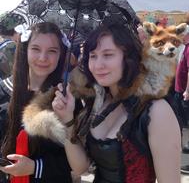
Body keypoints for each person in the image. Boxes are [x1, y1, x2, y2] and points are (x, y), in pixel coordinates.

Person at [52, 21, 181, 183]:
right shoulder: (99, 102)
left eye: (108, 55)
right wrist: (67, 119)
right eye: (93, 56)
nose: (98, 65)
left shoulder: (156, 111)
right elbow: (80, 168)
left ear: (128, 58)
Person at [0, 22, 75, 183]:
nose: (43, 58)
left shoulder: (66, 98)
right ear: (24, 50)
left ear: (61, 55)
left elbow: (77, 162)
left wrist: (35, 167)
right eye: (35, 49)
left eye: (52, 51)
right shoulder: (3, 91)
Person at [174, 32, 189, 174]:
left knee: (187, 124)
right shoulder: (185, 47)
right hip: (179, 91)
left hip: (185, 93)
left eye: (181, 35)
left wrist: (187, 91)